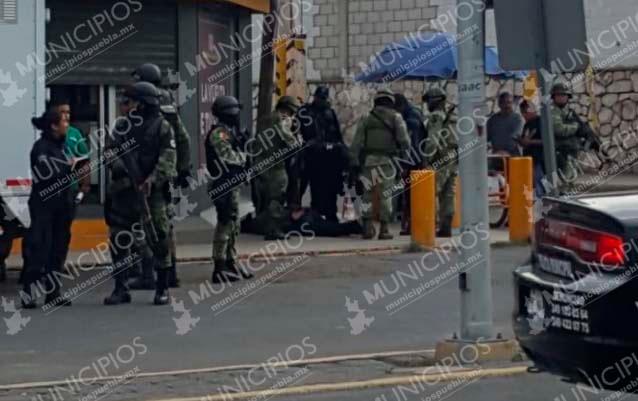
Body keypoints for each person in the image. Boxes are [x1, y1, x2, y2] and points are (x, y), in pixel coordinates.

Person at [104, 82, 176, 306]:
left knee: (159, 237)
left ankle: (162, 287)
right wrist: (124, 173)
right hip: (124, 192)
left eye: (131, 102)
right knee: (119, 239)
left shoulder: (162, 127)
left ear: (143, 103)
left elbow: (168, 158)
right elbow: (110, 153)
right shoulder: (122, 127)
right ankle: (120, 288)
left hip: (152, 193)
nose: (127, 106)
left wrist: (151, 180)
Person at [132, 63, 192, 288]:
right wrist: (183, 168)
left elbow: (180, 136)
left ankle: (150, 274)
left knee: (149, 224)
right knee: (165, 224)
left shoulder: (154, 102)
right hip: (167, 169)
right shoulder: (166, 100)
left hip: (155, 171)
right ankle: (170, 272)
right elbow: (183, 138)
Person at [20, 110, 75, 308]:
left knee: (58, 250)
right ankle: (29, 293)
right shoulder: (41, 148)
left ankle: (54, 294)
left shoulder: (62, 147)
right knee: (39, 249)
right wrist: (67, 166)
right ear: (53, 125)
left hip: (62, 208)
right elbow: (45, 173)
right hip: (44, 207)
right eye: (64, 121)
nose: (67, 124)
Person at [350, 89, 410, 240]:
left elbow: (356, 143)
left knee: (367, 196)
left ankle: (367, 227)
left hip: (369, 162)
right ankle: (384, 229)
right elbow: (405, 141)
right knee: (386, 195)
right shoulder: (396, 117)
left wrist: (354, 162)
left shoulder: (366, 118)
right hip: (387, 162)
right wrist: (405, 159)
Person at [206, 95, 253, 283]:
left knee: (234, 224)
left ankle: (230, 260)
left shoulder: (230, 132)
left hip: (232, 183)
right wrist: (245, 156)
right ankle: (219, 266)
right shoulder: (219, 133)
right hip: (222, 184)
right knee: (225, 223)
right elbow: (227, 156)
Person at [252, 96, 301, 241]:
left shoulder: (266, 119)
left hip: (261, 163)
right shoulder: (281, 118)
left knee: (266, 198)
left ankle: (265, 226)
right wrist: (296, 142)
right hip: (274, 165)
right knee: (277, 197)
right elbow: (288, 139)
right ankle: (273, 230)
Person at [297, 86, 348, 222]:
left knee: (330, 186)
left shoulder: (329, 113)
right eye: (319, 98)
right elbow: (296, 132)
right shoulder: (305, 112)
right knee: (308, 186)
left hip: (328, 157)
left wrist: (342, 152)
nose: (321, 100)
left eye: (323, 98)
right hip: (311, 155)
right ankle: (308, 213)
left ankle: (330, 213)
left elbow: (337, 135)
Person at [423, 87, 457, 238]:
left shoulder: (436, 116)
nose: (427, 105)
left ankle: (428, 226)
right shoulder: (452, 116)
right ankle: (446, 227)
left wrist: (426, 159)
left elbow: (432, 140)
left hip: (440, 159)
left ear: (433, 101)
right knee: (448, 194)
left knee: (430, 191)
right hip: (453, 158)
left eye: (428, 101)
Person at [394, 93, 427, 236]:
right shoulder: (415, 113)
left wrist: (405, 164)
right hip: (419, 159)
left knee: (411, 194)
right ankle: (413, 224)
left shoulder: (410, 119)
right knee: (413, 194)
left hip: (414, 161)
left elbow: (411, 144)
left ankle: (412, 225)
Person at [551, 82, 581, 194]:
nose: (562, 97)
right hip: (560, 150)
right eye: (559, 95)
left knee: (571, 180)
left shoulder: (568, 112)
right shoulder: (553, 111)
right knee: (565, 181)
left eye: (564, 95)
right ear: (554, 97)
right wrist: (575, 127)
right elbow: (559, 129)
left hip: (570, 149)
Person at [519, 100, 545, 197]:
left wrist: (530, 142)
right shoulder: (527, 124)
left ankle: (543, 199)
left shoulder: (541, 122)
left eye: (525, 113)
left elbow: (546, 141)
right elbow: (524, 138)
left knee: (541, 181)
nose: (524, 116)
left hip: (539, 158)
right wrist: (521, 141)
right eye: (523, 113)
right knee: (534, 182)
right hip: (528, 158)